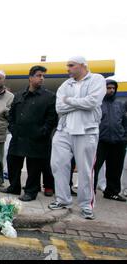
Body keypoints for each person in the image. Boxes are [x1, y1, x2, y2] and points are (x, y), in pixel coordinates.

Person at [49, 56, 106, 220]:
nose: (68, 69)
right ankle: (62, 200)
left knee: (85, 170)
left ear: (82, 65)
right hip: (64, 130)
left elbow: (93, 102)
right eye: (67, 65)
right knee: (58, 165)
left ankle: (86, 205)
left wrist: (70, 101)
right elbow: (59, 106)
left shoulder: (96, 79)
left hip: (86, 131)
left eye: (71, 65)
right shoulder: (65, 85)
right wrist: (79, 102)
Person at [0, 66, 57, 201]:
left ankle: (31, 192)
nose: (42, 78)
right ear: (30, 78)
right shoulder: (19, 95)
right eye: (38, 75)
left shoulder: (49, 96)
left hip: (37, 138)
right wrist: (13, 128)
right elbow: (11, 115)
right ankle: (14, 187)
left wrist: (43, 132)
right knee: (12, 161)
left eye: (43, 76)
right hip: (18, 136)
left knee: (34, 167)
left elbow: (51, 119)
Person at [92, 79, 127, 202]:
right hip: (100, 141)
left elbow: (124, 121)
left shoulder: (120, 104)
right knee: (94, 168)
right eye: (108, 88)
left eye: (113, 88)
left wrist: (124, 137)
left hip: (118, 141)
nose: (111, 90)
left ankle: (112, 192)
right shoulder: (97, 103)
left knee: (115, 169)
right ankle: (90, 192)